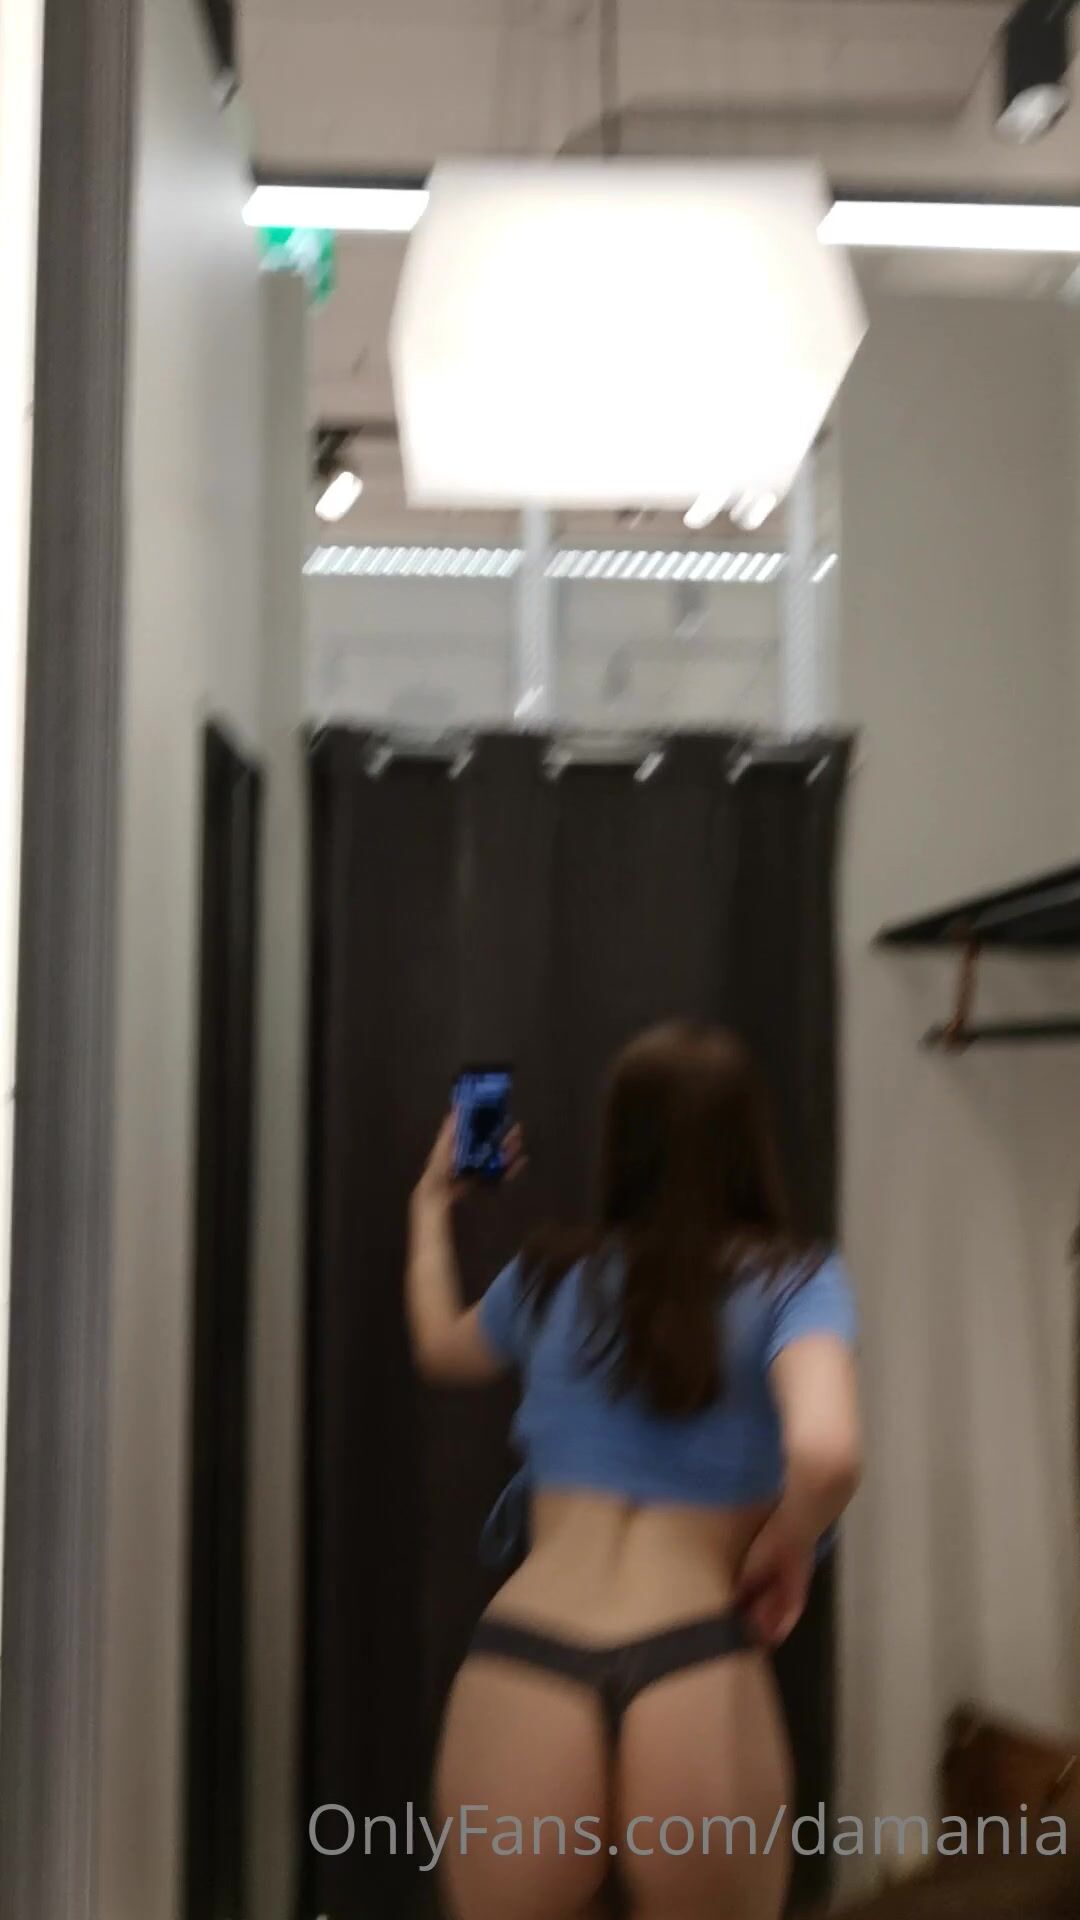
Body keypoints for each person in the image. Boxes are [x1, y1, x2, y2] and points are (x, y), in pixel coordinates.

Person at [406, 1021, 860, 1920]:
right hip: (691, 1660)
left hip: (525, 1651)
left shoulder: (549, 1276)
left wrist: (429, 1210)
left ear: (620, 1143)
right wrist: (789, 1545)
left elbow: (442, 1348)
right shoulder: (796, 1283)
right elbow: (827, 1451)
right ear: (749, 1142)